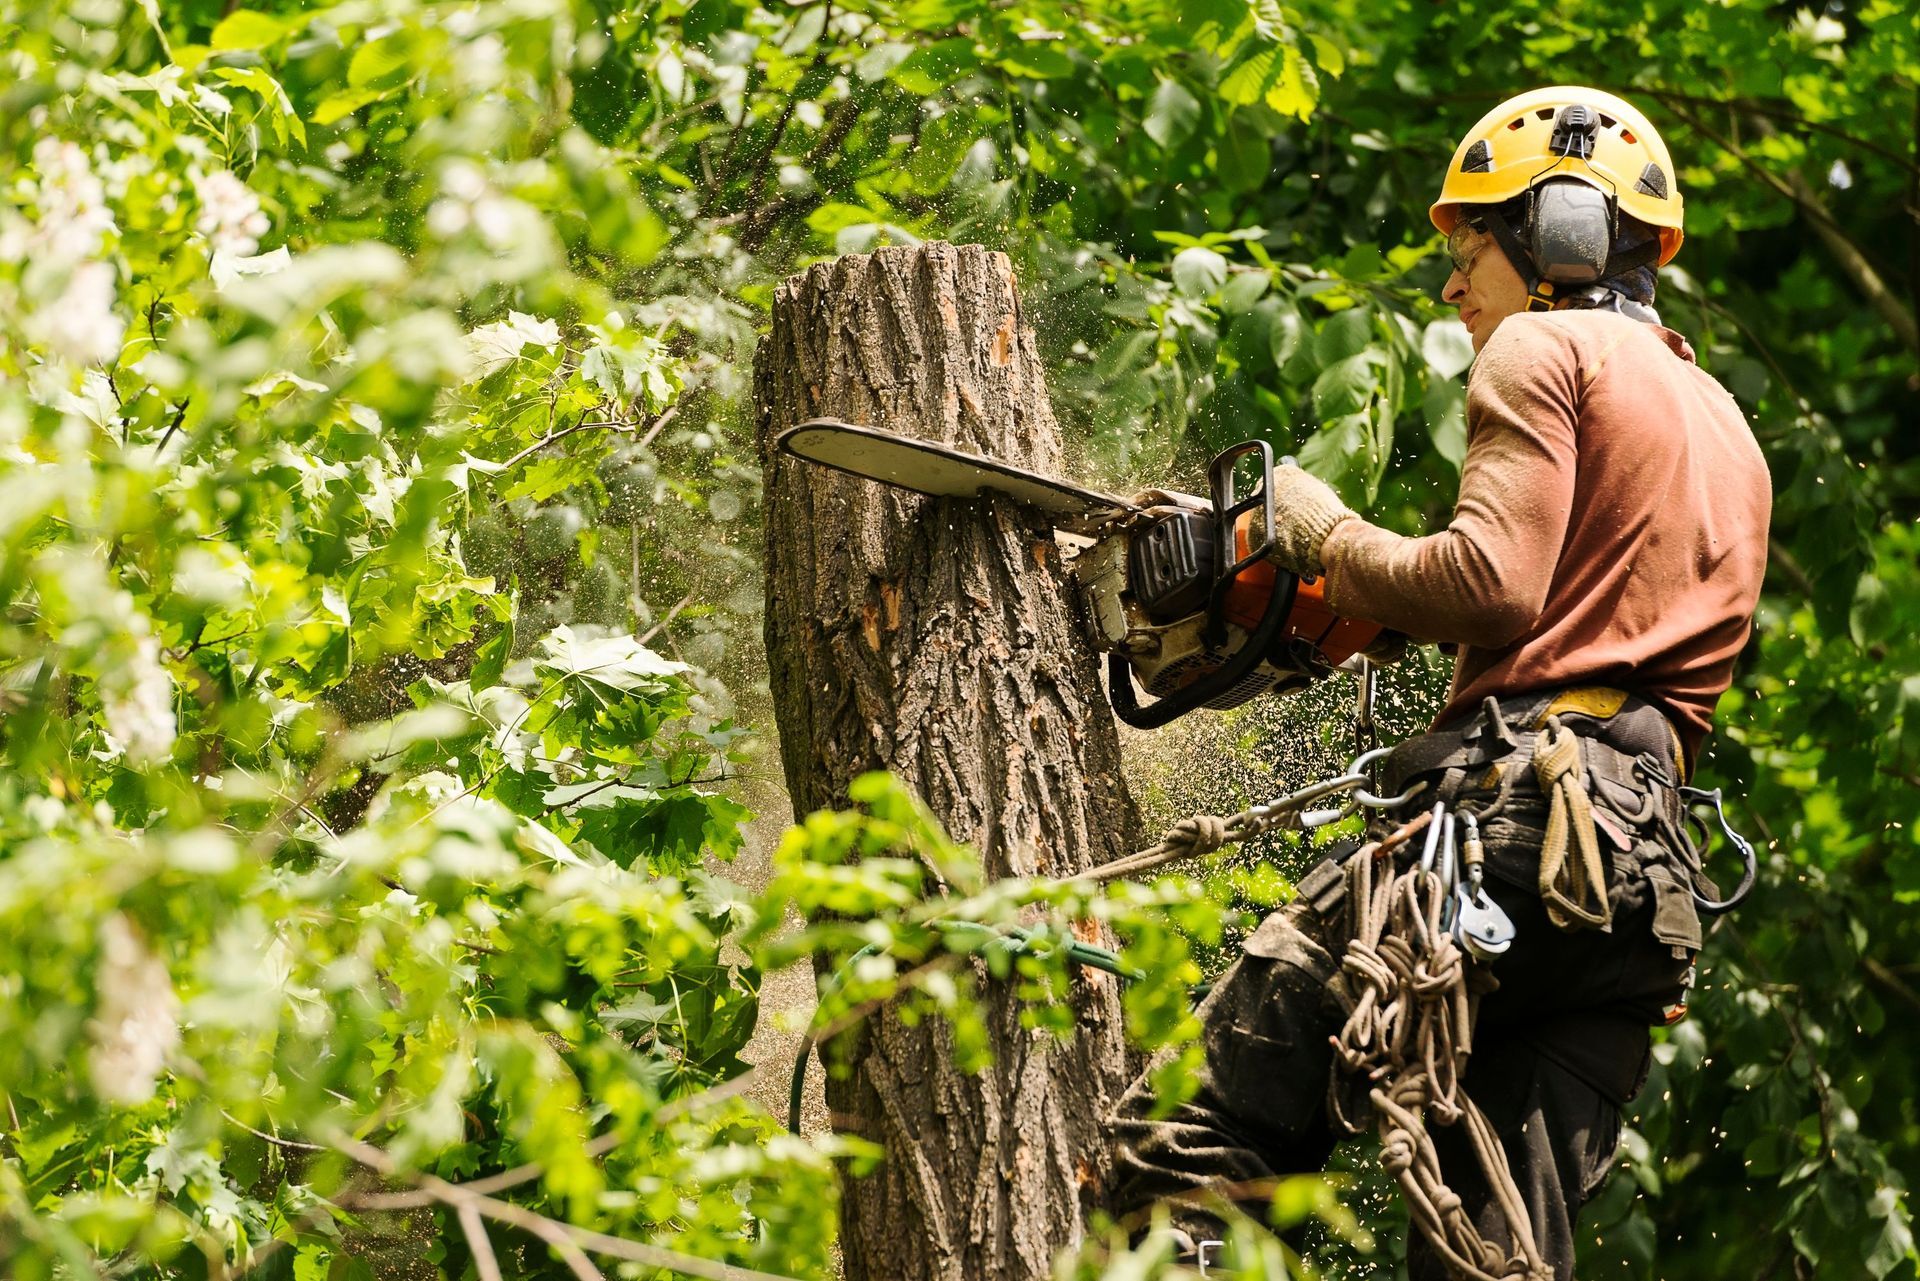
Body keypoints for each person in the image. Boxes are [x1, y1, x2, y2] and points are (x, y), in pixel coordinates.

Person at [1107, 86, 1773, 1278]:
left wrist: (1326, 536)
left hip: (1511, 833)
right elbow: (1588, 603)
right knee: (1494, 1258)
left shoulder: (1541, 345)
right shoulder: (1722, 420)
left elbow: (1493, 586)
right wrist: (1355, 617)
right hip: (1636, 892)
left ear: (1561, 230)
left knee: (1194, 1141)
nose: (1454, 288)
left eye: (1470, 252)